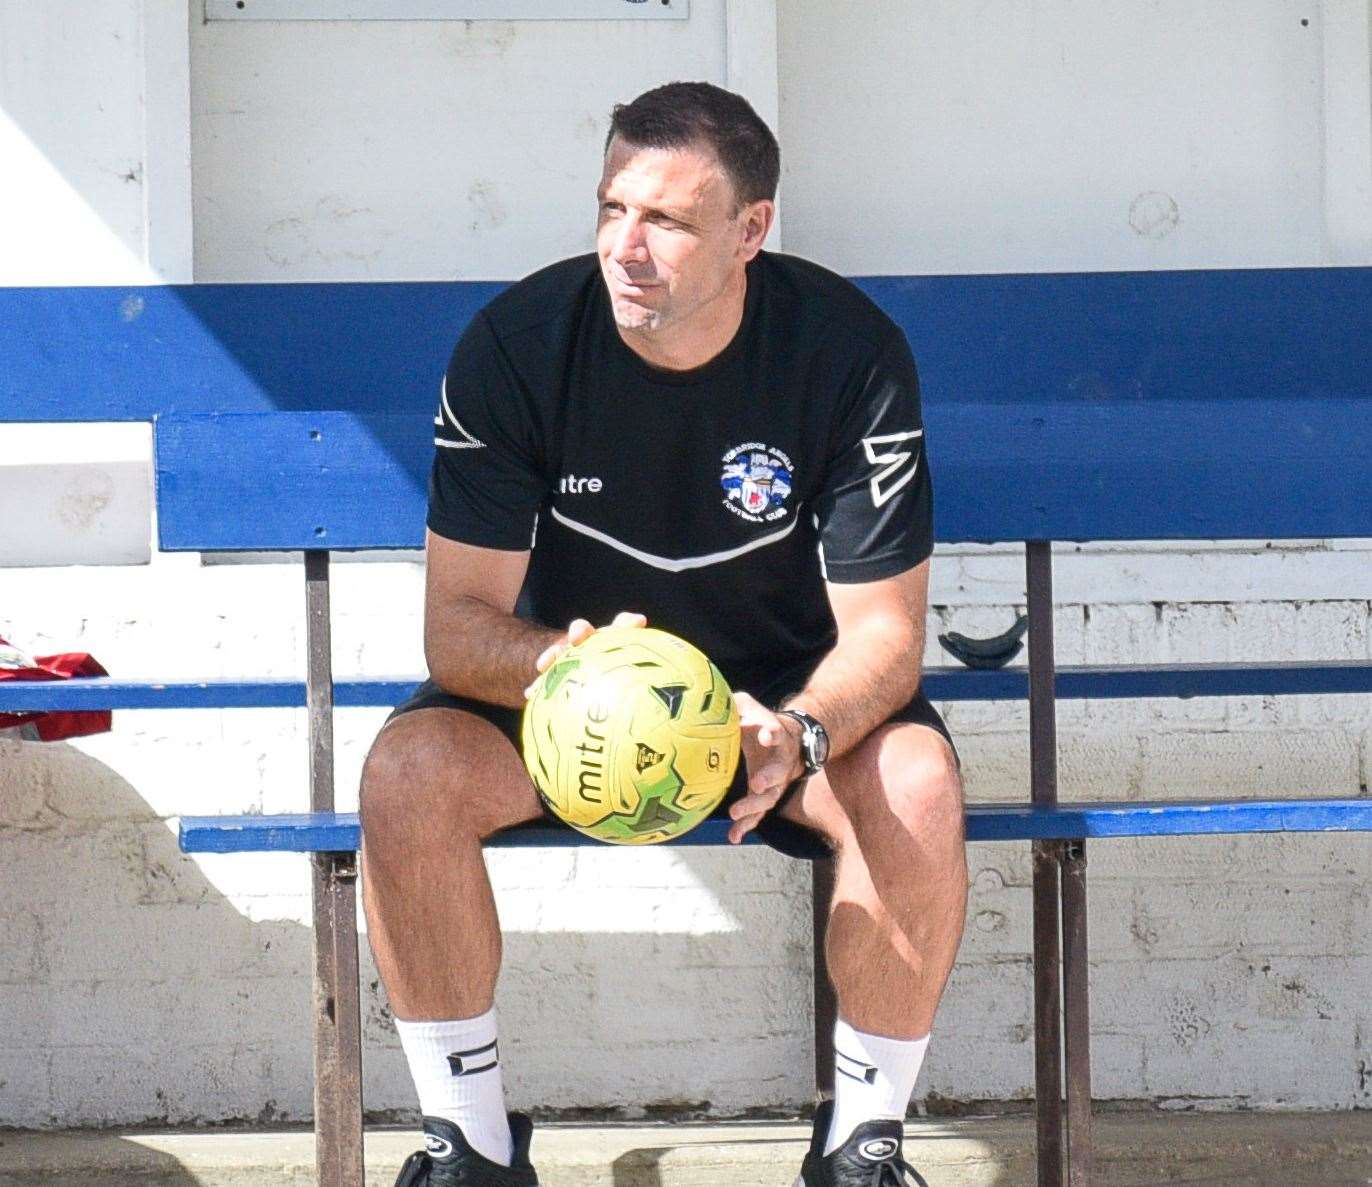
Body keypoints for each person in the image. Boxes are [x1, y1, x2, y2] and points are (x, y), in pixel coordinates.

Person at [362, 81, 967, 1187]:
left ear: (750, 230)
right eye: (610, 208)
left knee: (917, 780)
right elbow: (457, 627)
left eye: (666, 221)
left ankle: (862, 1149)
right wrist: (567, 665)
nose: (624, 247)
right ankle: (471, 1147)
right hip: (573, 702)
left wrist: (800, 731)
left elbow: (885, 634)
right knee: (408, 774)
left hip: (777, 708)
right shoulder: (517, 347)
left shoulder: (847, 353)